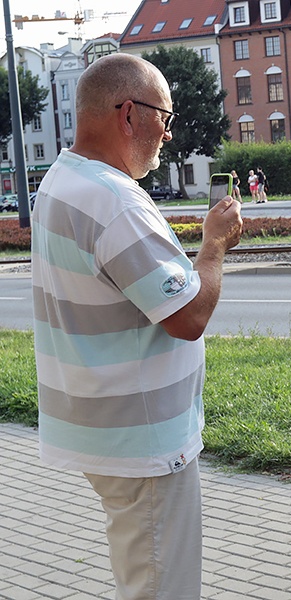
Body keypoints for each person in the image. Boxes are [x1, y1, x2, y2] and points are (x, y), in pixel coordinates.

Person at [30, 53, 242, 600]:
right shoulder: (116, 200)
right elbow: (189, 317)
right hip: (141, 438)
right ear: (129, 113)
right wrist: (213, 246)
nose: (167, 135)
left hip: (103, 424)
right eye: (164, 119)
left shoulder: (63, 178)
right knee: (160, 584)